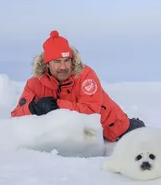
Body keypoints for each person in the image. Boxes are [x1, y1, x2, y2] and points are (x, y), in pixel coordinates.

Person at [11, 30, 145, 142]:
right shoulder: (34, 84)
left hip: (113, 127)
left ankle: (135, 124)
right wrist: (33, 108)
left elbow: (91, 110)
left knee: (139, 135)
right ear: (47, 64)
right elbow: (15, 116)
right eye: (57, 61)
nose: (63, 67)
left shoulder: (85, 75)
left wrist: (57, 105)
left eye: (66, 60)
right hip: (77, 136)